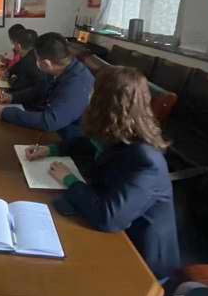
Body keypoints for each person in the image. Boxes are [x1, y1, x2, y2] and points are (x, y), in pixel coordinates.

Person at [24, 67, 180, 280]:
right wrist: (52, 149)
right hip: (111, 230)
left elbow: (108, 218)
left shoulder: (146, 161)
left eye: (93, 91)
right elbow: (88, 142)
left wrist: (70, 180)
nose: (88, 95)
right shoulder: (119, 129)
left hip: (140, 260)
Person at [0, 32, 94, 132]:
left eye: (36, 59)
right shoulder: (58, 68)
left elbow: (50, 121)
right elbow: (40, 90)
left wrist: (5, 113)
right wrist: (13, 97)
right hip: (51, 122)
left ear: (46, 63)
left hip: (68, 134)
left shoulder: (77, 83)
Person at [5, 28, 42, 93]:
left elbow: (17, 87)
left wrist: (10, 80)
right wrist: (9, 71)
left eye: (14, 44)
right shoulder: (35, 55)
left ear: (18, 46)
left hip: (30, 97)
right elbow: (17, 65)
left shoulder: (26, 62)